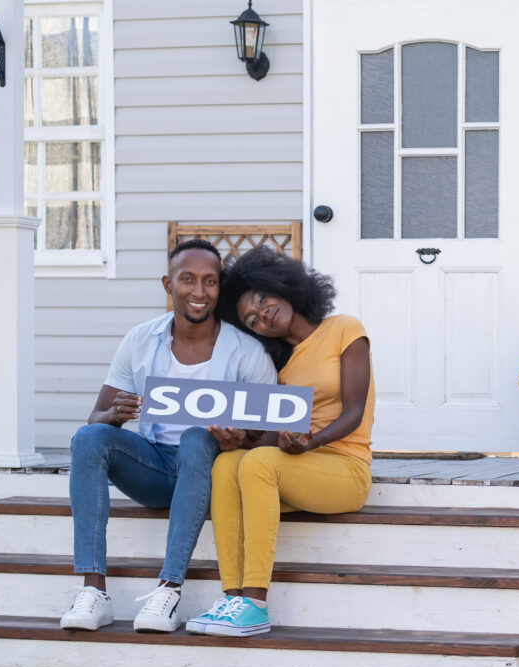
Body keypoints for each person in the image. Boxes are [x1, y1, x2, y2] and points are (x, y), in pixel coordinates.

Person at [60, 239, 276, 633]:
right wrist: (114, 413)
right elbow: (96, 417)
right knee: (87, 438)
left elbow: (270, 440)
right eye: (187, 280)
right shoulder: (140, 340)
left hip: (210, 471)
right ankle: (93, 590)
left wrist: (238, 440)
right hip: (155, 466)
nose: (199, 292)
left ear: (219, 288)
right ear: (167, 284)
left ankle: (169, 590)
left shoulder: (247, 352)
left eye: (209, 282)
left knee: (197, 437)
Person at [185, 246, 375, 636]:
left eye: (261, 299)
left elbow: (354, 411)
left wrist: (312, 441)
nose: (262, 315)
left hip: (347, 468)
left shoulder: (345, 329)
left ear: (279, 285)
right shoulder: (279, 368)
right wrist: (238, 438)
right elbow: (273, 436)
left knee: (258, 464)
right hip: (301, 467)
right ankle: (232, 597)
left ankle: (255, 604)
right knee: (227, 463)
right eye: (251, 320)